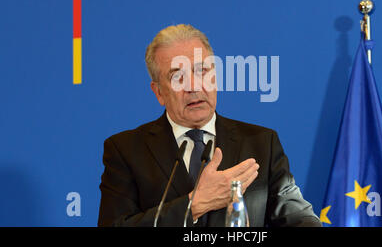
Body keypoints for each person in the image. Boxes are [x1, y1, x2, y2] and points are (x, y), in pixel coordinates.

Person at [98, 24, 321, 227]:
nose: (194, 86)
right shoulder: (126, 150)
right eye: (178, 77)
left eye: (202, 71)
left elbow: (296, 216)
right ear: (158, 92)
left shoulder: (261, 142)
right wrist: (194, 205)